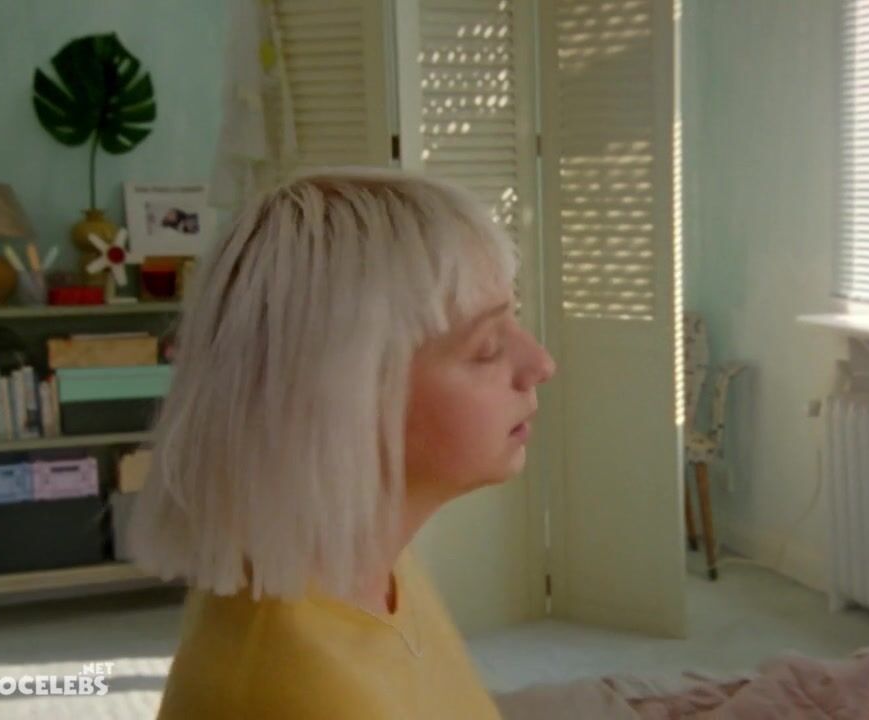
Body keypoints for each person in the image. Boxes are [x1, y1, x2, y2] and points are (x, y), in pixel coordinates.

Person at [128, 168, 556, 718]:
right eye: (488, 346)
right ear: (347, 398)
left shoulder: (362, 562)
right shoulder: (304, 690)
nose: (541, 363)